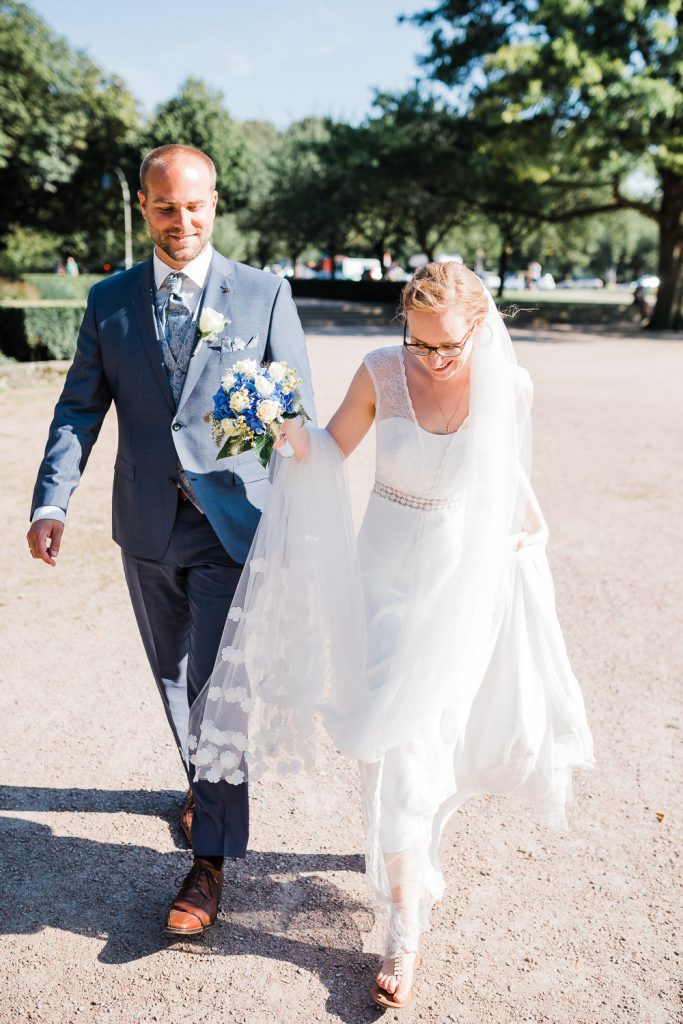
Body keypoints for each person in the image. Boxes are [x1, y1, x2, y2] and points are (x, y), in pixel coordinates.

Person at [189, 260, 594, 1008]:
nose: (433, 359)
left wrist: (529, 535)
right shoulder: (381, 370)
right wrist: (283, 428)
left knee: (413, 746)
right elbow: (330, 449)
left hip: (455, 586)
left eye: (448, 346)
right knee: (383, 738)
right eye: (420, 343)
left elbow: (505, 474)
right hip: (380, 582)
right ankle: (402, 855)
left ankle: (404, 935)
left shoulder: (511, 385)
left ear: (480, 327)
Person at [26, 144, 315, 935]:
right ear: (144, 206)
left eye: (193, 205)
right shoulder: (109, 299)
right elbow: (78, 409)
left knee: (219, 688)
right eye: (164, 206)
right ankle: (203, 783)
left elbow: (298, 417)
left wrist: (287, 470)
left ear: (214, 203)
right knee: (173, 677)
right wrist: (51, 502)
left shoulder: (264, 294)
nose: (180, 220)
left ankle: (208, 864)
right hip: (145, 525)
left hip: (231, 526)